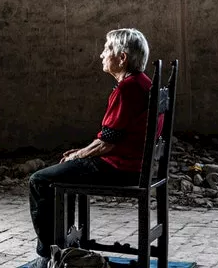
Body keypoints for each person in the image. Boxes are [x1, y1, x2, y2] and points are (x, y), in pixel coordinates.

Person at [23, 28, 160, 268]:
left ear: (122, 57)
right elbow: (109, 135)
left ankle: (47, 255)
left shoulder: (127, 89)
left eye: (107, 49)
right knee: (66, 168)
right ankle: (67, 247)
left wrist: (79, 155)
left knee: (39, 180)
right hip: (136, 165)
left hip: (121, 168)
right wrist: (80, 153)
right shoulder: (144, 83)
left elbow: (108, 143)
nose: (101, 55)